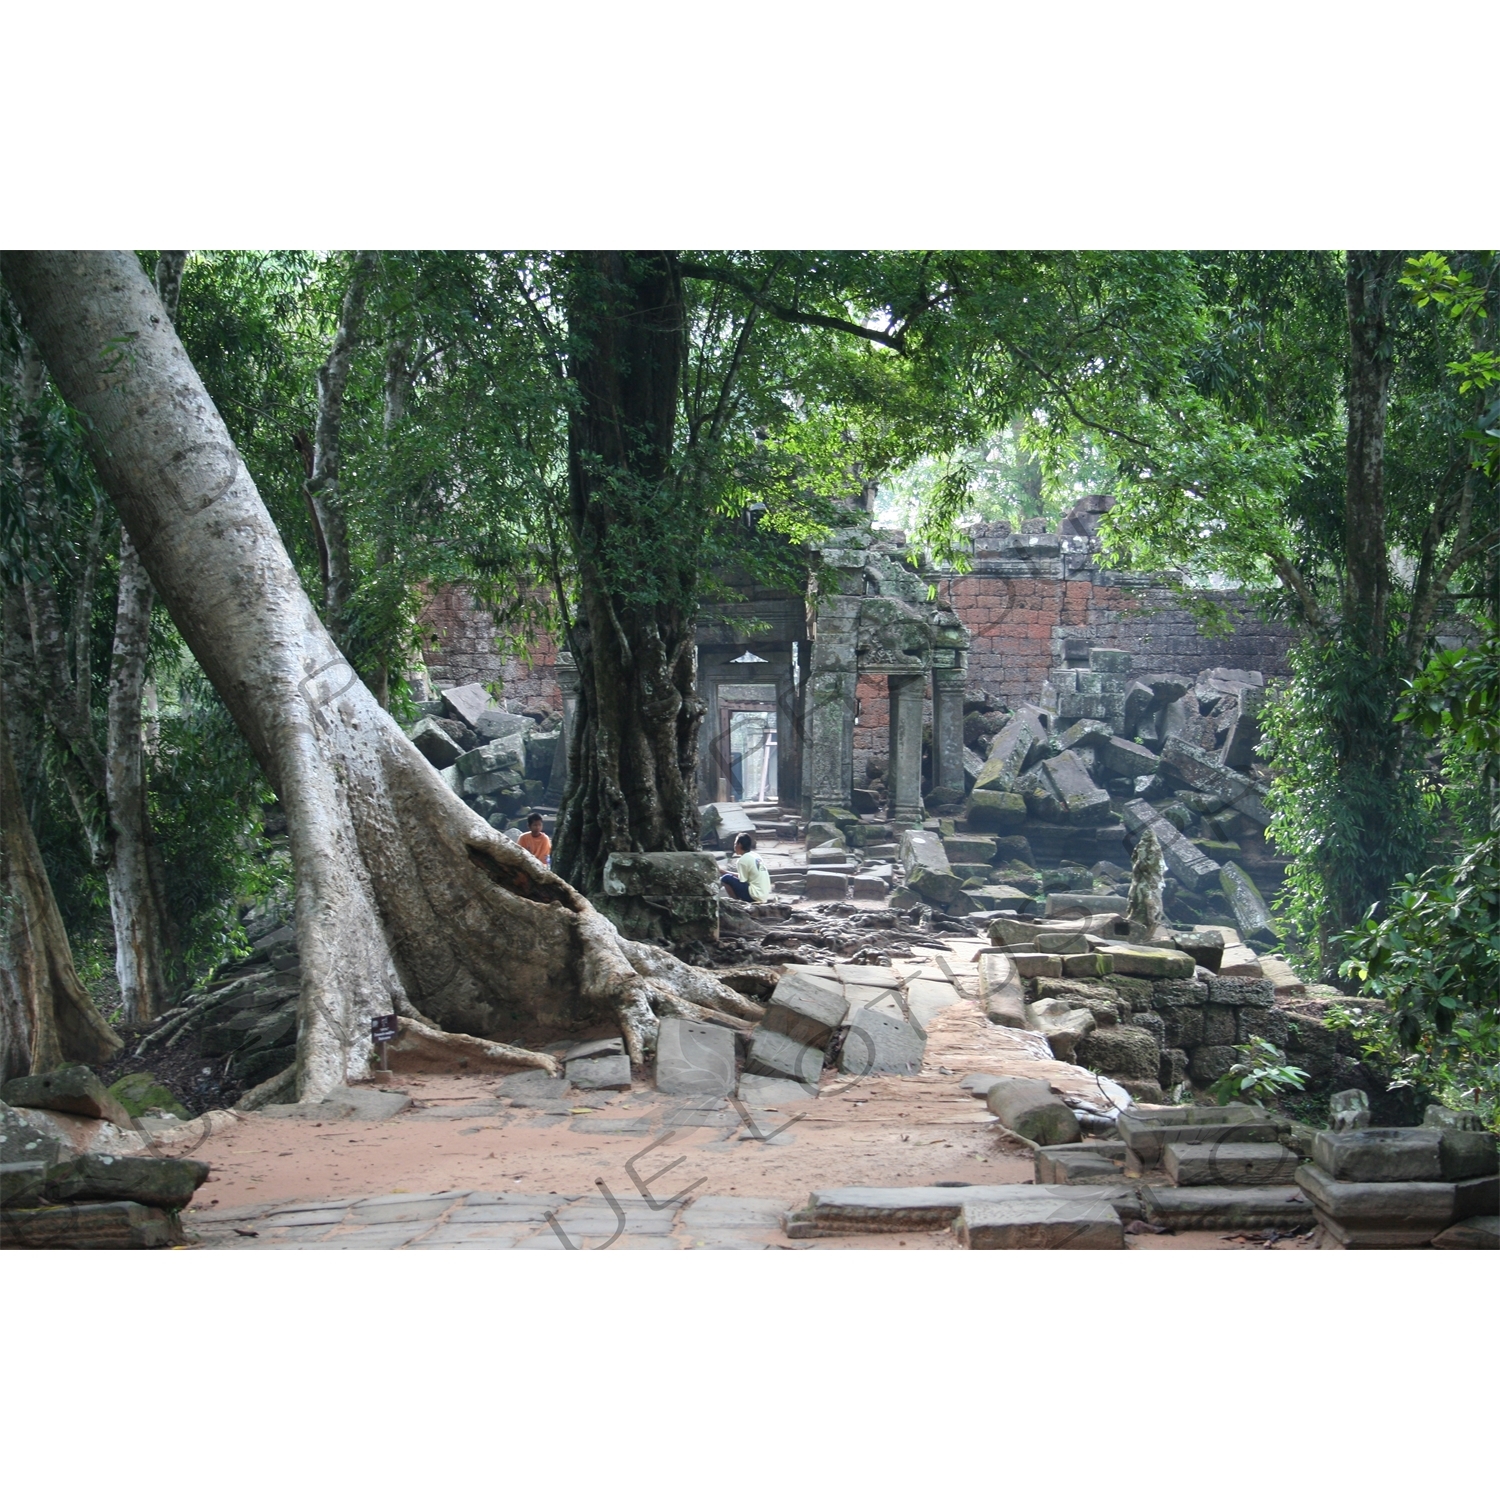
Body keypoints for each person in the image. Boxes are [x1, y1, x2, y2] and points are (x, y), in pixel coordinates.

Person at [720, 832, 771, 903]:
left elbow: (742, 880)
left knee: (725, 878)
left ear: (739, 845)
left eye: (735, 844)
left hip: (754, 895)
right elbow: (744, 877)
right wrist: (723, 872)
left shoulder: (742, 860)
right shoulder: (756, 855)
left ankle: (735, 903)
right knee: (727, 876)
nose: (734, 846)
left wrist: (724, 873)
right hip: (763, 895)